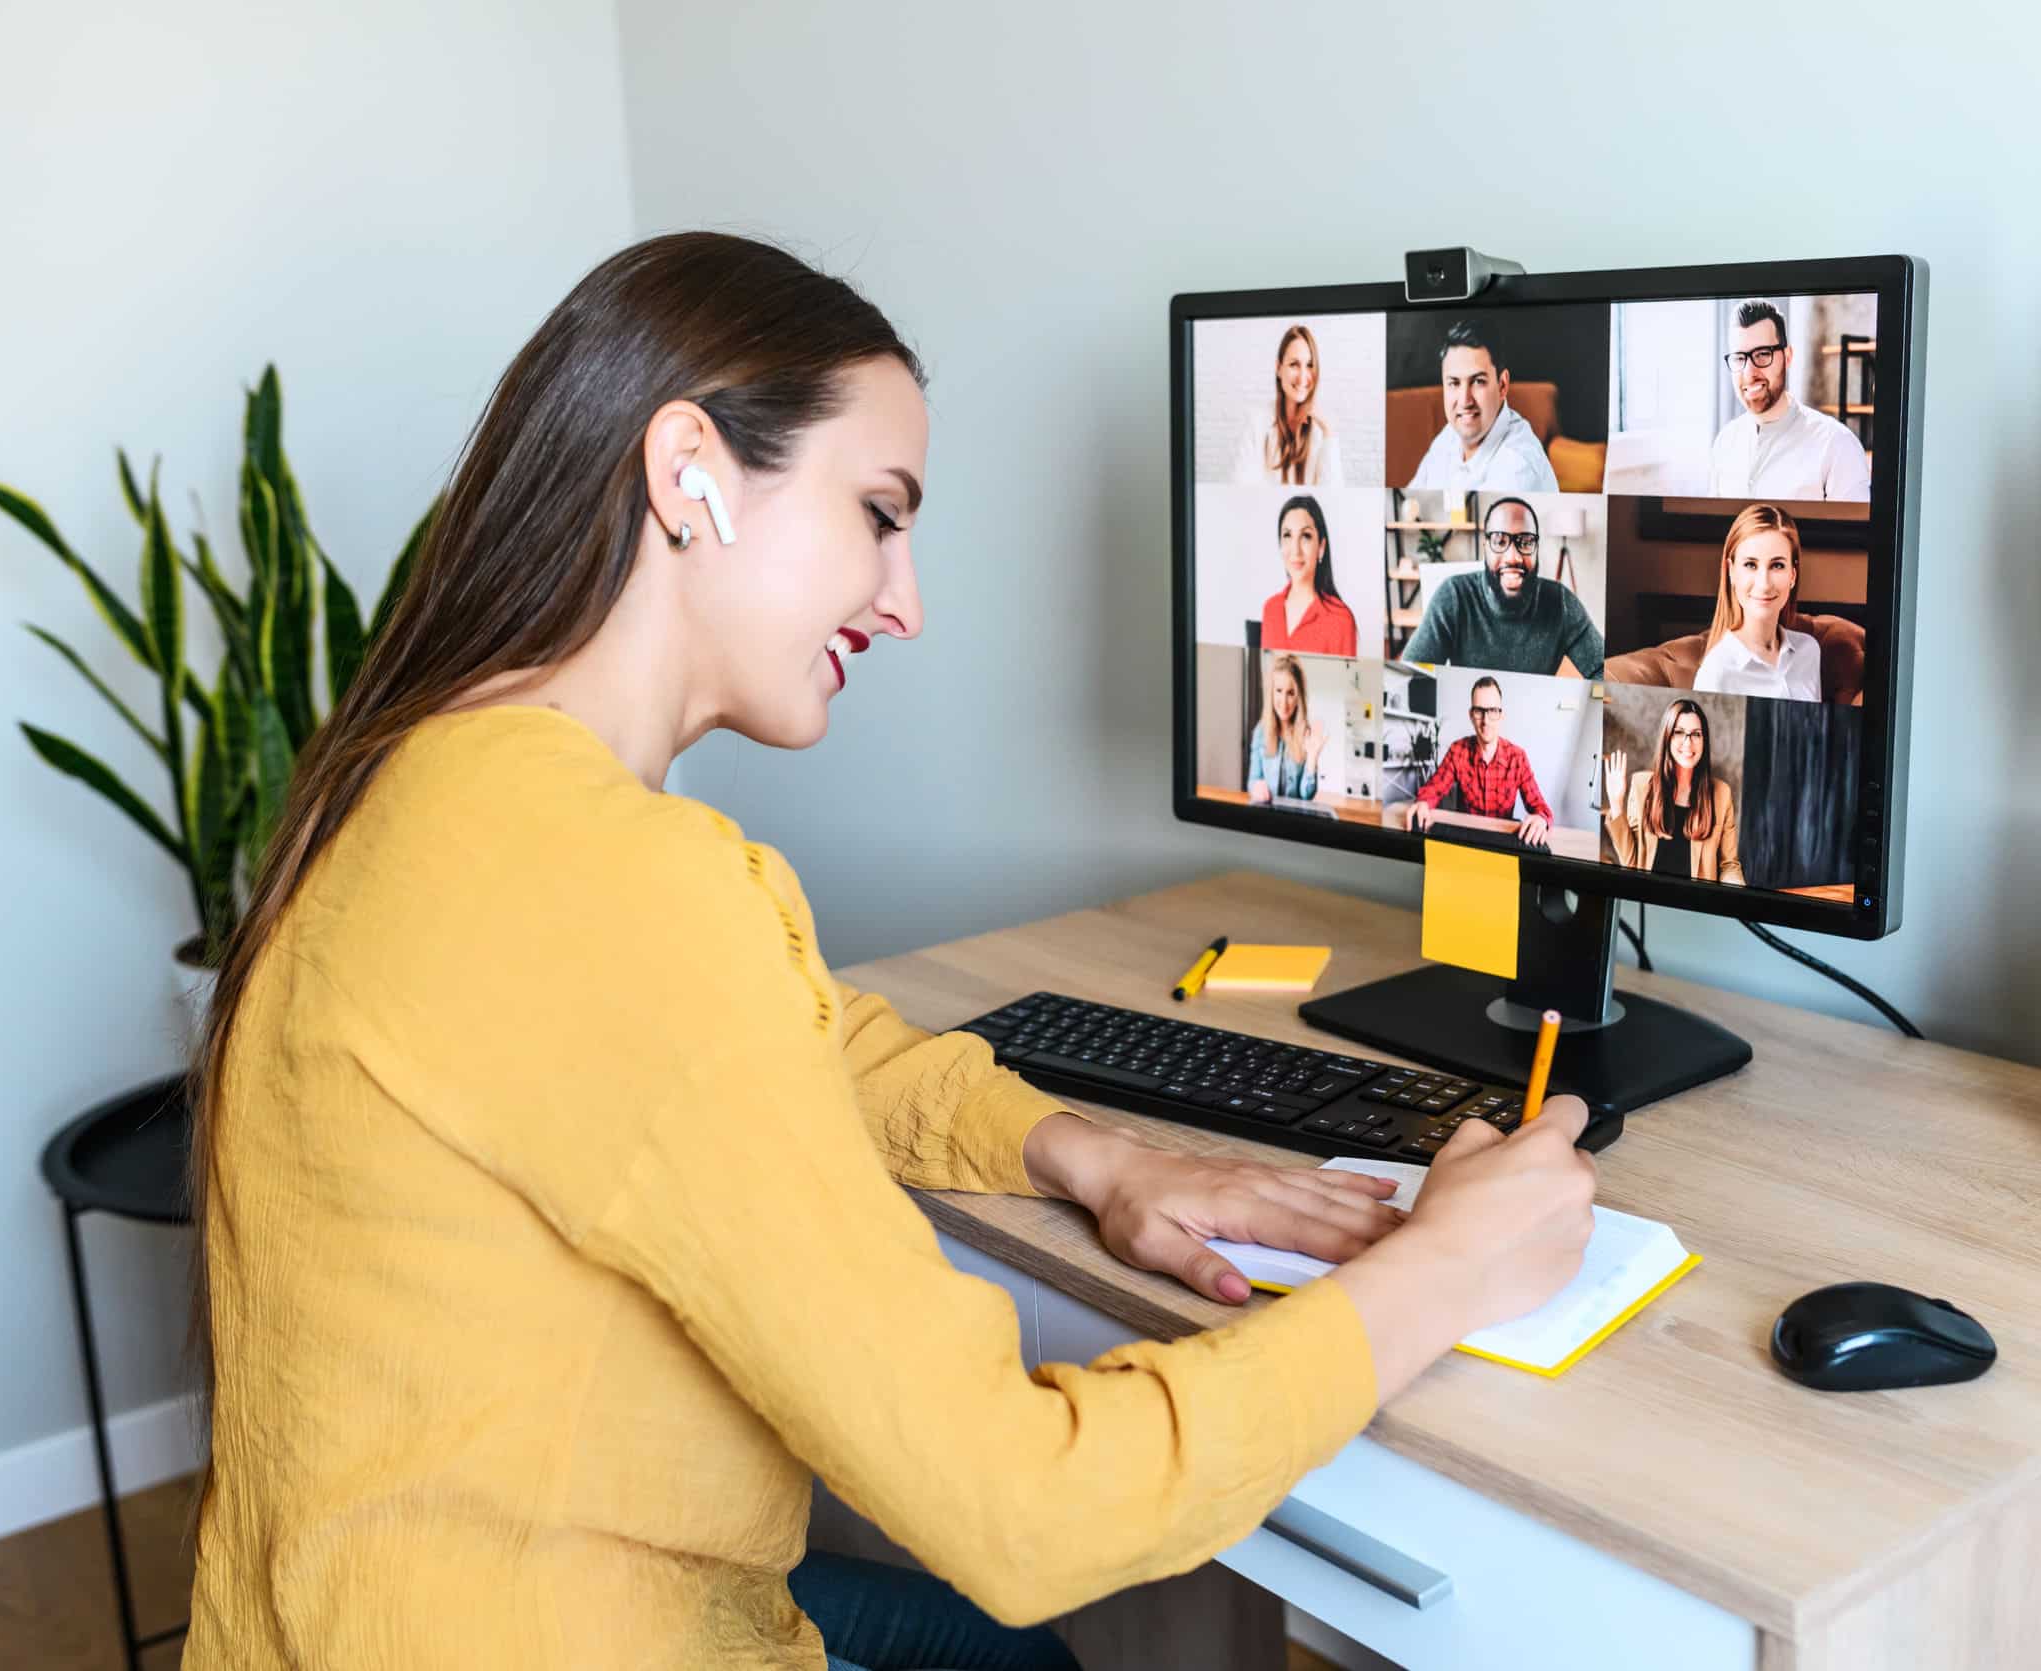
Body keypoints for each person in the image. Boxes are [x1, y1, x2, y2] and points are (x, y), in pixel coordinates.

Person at [183, 232, 1603, 1671]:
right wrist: (1443, 1269)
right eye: (877, 512)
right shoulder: (616, 875)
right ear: (690, 474)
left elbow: (784, 1036)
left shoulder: (429, 779)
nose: (904, 600)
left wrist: (1082, 1151)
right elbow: (1020, 1503)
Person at [1399, 496, 1604, 677]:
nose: (1513, 557)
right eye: (1499, 541)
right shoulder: (1454, 596)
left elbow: (1602, 669)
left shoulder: (1561, 603)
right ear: (1485, 548)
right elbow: (1413, 674)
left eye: (1525, 542)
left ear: (1536, 548)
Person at [1706, 300, 1870, 501]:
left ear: (1788, 356)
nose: (1750, 373)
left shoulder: (1837, 445)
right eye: (1739, 358)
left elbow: (1854, 532)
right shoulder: (1725, 442)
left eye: (1763, 354)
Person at [1403, 322, 1559, 493]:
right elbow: (1408, 506)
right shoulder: (1450, 436)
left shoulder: (1517, 466)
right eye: (1454, 383)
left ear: (1502, 385)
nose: (1464, 401)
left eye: (1478, 381)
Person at [1690, 503, 1824, 701]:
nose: (1764, 583)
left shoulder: (1809, 651)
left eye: (1777, 565)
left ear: (1793, 575)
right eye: (1750, 565)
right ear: (1731, 572)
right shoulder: (1716, 674)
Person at [1604, 700, 1746, 883]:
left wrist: (1737, 886)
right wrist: (1616, 804)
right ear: (1667, 737)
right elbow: (1632, 864)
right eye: (1679, 733)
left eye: (1696, 734)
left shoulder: (1721, 794)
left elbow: (1729, 866)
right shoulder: (1641, 786)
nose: (1688, 742)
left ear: (1704, 741)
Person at [1403, 676, 1554, 848]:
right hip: (1465, 841)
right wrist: (1423, 803)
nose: (1486, 721)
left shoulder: (1518, 757)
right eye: (1479, 711)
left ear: (1501, 715)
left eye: (1493, 711)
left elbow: (1540, 806)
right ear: (1471, 715)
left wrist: (1541, 819)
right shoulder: (1457, 750)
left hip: (1502, 843)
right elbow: (1434, 789)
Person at [1230, 323, 1345, 485]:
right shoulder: (1256, 423)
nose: (1303, 377)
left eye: (1310, 365)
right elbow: (1240, 489)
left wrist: (1329, 433)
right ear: (1278, 368)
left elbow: (1333, 497)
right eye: (1294, 365)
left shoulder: (1321, 429)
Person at [1258, 493, 1357, 656]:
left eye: (1306, 536)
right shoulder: (1270, 609)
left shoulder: (1341, 619)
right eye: (1287, 535)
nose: (1295, 550)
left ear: (1321, 548)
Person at [1247, 653, 1325, 803]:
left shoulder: (1306, 734)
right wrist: (1257, 787)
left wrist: (1312, 759)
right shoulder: (1260, 732)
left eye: (1290, 693)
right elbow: (1253, 780)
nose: (1283, 701)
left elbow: (1306, 794)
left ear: (1299, 697)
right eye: (1278, 691)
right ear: (1271, 692)